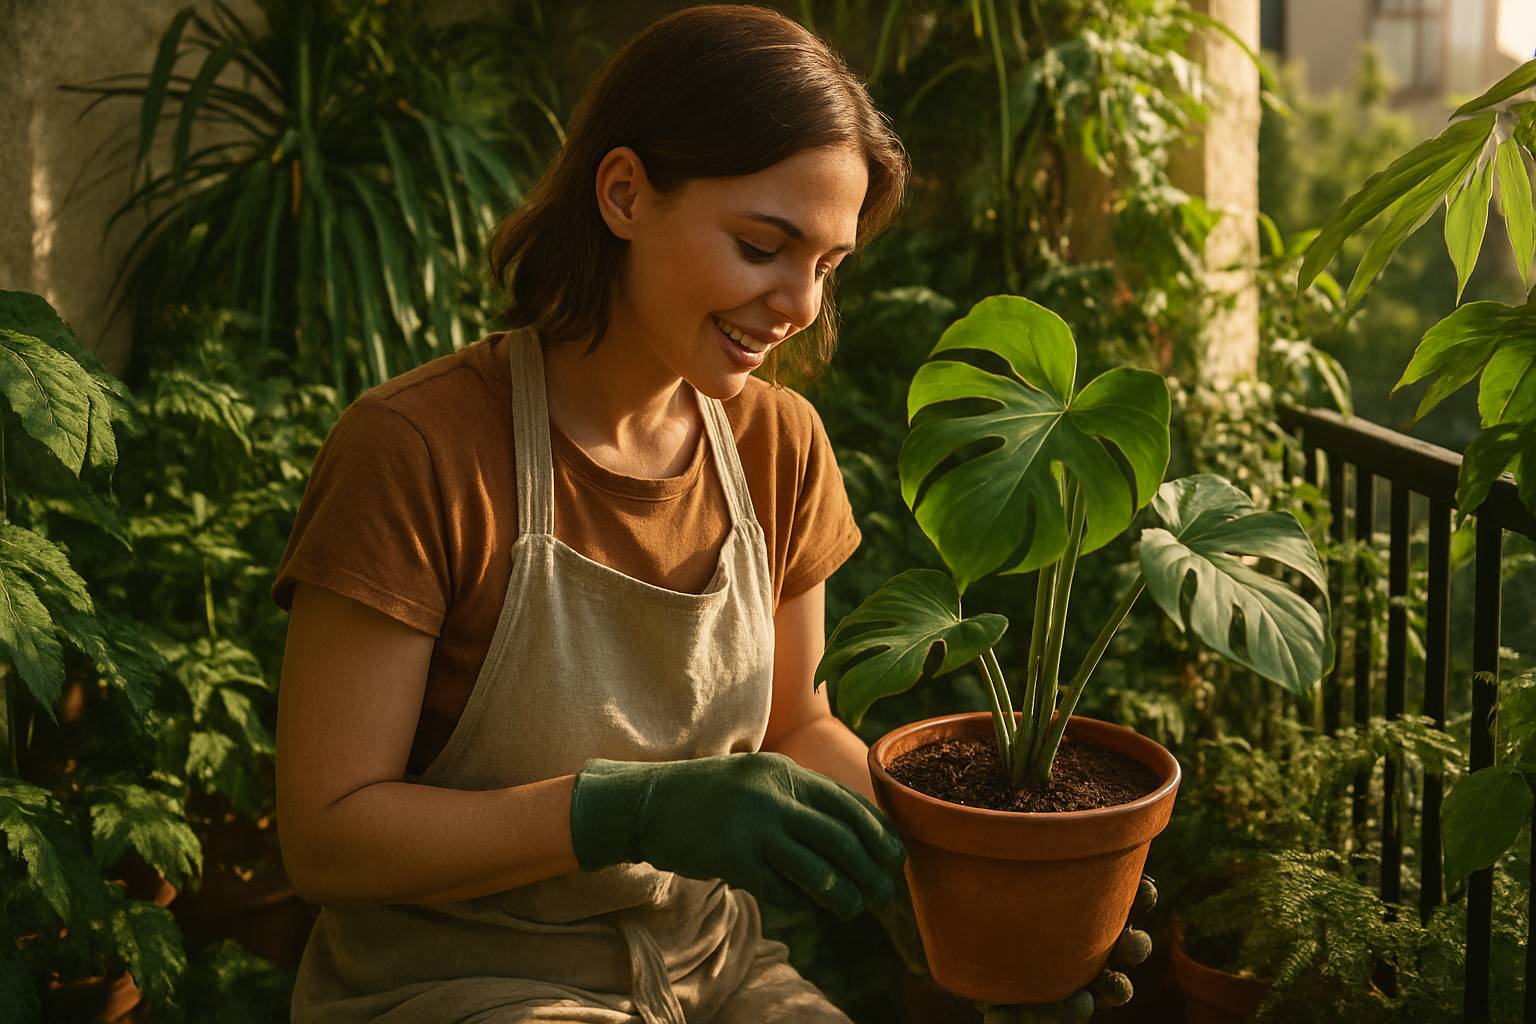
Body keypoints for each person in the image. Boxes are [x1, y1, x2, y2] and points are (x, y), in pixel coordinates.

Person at [272, 5, 1149, 1022]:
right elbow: (328, 835)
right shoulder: (416, 451)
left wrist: (975, 882)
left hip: (712, 972)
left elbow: (796, 724)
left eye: (828, 264)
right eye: (763, 245)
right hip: (457, 984)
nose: (801, 305)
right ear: (624, 194)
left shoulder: (780, 447)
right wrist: (624, 808)